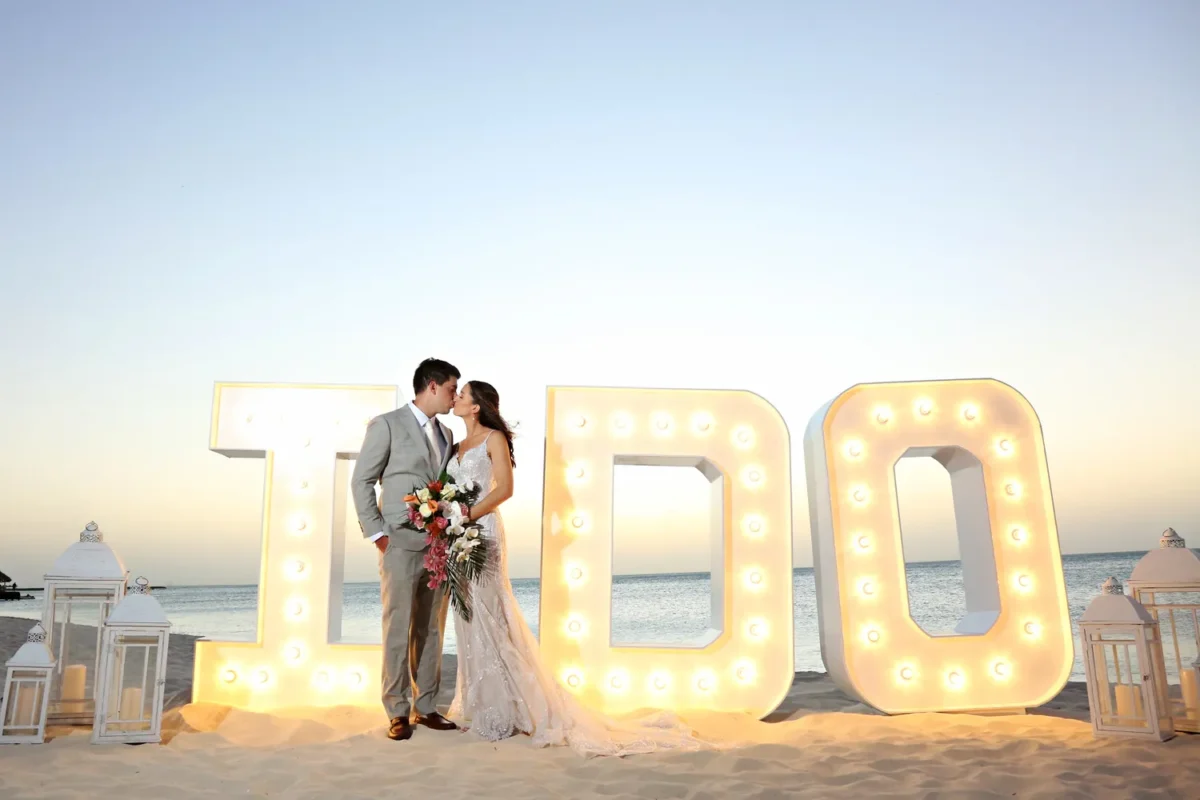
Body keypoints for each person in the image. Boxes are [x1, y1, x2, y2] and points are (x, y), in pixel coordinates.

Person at [446, 380, 712, 756]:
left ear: (476, 407)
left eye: (462, 395)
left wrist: (469, 514)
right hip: (456, 535)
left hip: (482, 532)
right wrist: (445, 517)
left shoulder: (494, 439)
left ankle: (509, 709)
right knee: (469, 616)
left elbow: (505, 489)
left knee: (492, 615)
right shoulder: (455, 448)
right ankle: (480, 705)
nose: (455, 398)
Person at [351, 358, 461, 742]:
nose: (455, 396)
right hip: (398, 541)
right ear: (431, 386)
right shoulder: (386, 424)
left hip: (438, 545)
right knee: (398, 627)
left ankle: (426, 706)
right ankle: (397, 711)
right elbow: (362, 480)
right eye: (451, 388)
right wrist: (377, 534)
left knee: (431, 628)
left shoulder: (446, 433)